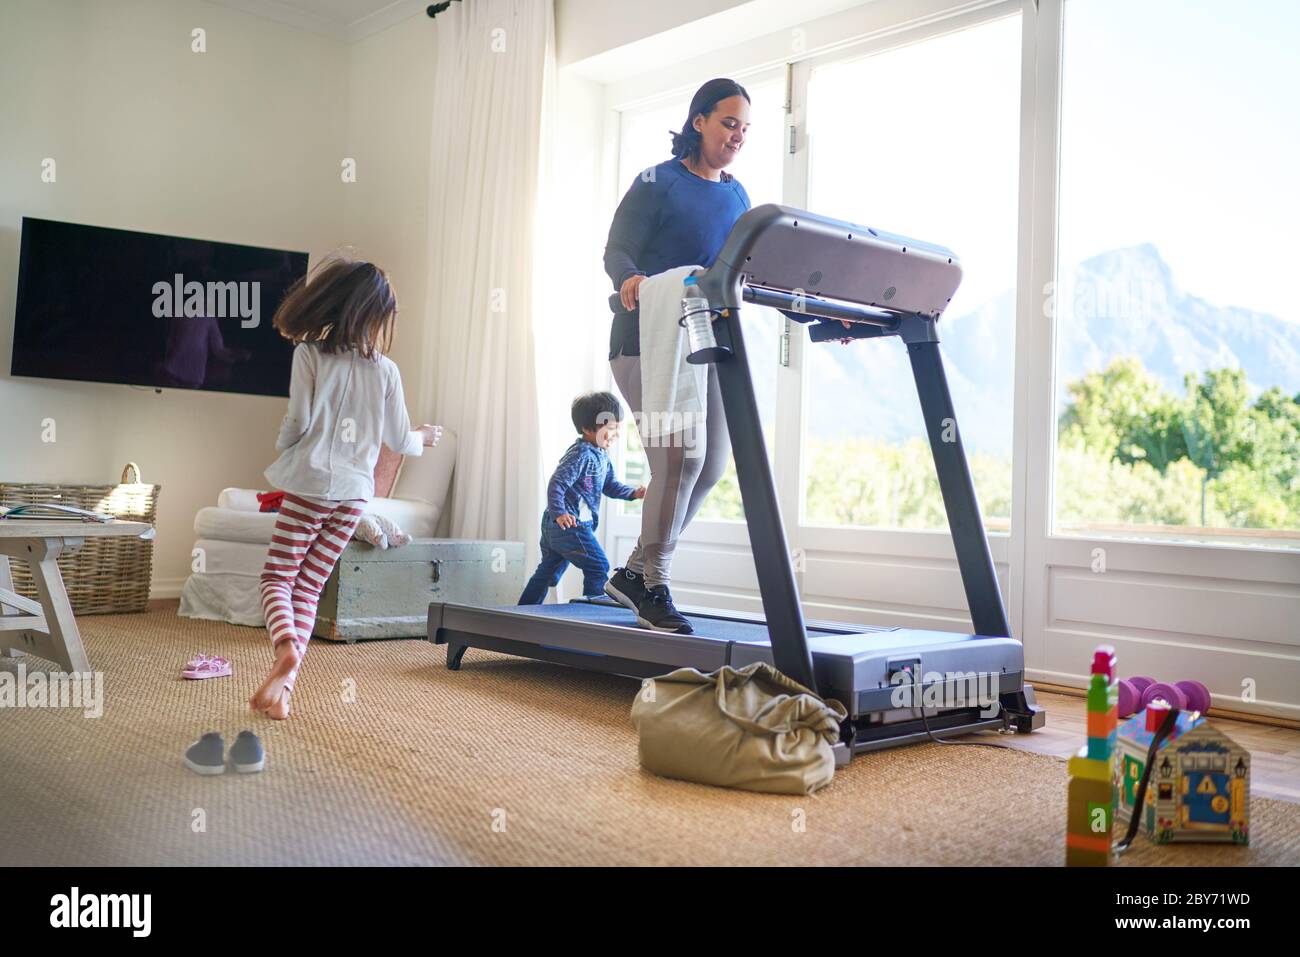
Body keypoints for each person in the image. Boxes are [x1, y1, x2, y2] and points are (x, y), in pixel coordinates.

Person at [251, 256, 441, 719]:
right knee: (310, 588)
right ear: (375, 315)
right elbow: (399, 441)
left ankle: (284, 647)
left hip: (310, 482)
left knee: (278, 578)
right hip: (355, 494)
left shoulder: (310, 355)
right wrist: (425, 438)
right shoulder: (387, 371)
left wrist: (282, 449)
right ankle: (282, 694)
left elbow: (297, 422)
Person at [600, 77, 753, 635]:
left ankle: (635, 573)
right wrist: (631, 279)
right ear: (699, 122)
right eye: (728, 122)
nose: (736, 135)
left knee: (710, 465)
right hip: (646, 338)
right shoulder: (657, 182)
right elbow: (617, 248)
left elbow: (743, 271)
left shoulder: (737, 196)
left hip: (703, 338)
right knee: (677, 460)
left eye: (743, 128)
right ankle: (654, 583)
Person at [519, 391, 645, 604]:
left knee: (547, 571)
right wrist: (560, 513)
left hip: (560, 526)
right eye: (611, 429)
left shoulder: (601, 455)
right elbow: (557, 483)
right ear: (587, 429)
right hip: (567, 525)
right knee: (598, 565)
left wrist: (633, 493)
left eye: (618, 428)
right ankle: (591, 612)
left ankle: (522, 612)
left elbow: (610, 485)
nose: (616, 434)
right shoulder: (582, 454)